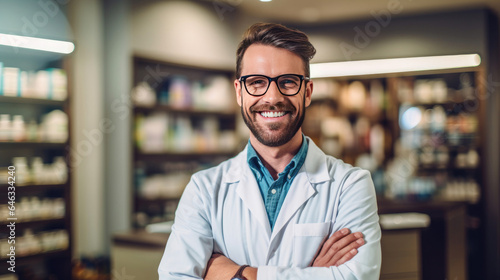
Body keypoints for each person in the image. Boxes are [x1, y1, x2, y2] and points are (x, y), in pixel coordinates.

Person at [158, 22, 381, 280]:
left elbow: (356, 277)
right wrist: (312, 274)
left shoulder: (350, 185)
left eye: (287, 82)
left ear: (307, 93)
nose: (272, 97)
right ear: (240, 93)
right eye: (256, 82)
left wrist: (240, 275)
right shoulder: (204, 189)